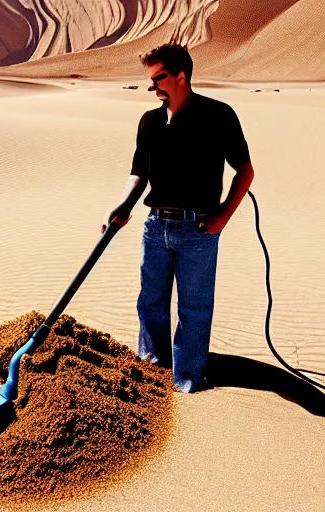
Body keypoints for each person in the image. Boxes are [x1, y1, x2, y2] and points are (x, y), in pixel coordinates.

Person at [101, 43, 254, 392]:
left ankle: (187, 381)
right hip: (155, 226)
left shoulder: (218, 115)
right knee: (150, 301)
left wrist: (223, 217)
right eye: (150, 81)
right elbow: (138, 172)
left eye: (159, 79)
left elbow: (245, 171)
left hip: (197, 228)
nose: (153, 88)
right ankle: (152, 372)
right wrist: (122, 206)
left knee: (194, 309)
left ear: (181, 76)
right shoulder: (151, 121)